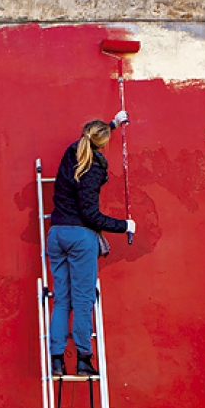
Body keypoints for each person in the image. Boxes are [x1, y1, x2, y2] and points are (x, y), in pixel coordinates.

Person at [48, 113, 136, 376]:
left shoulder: (71, 153)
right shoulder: (93, 169)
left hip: (56, 234)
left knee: (62, 300)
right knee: (83, 300)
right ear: (103, 144)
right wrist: (124, 225)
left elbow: (90, 137)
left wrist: (112, 125)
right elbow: (90, 215)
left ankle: (56, 360)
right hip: (80, 237)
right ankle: (84, 359)